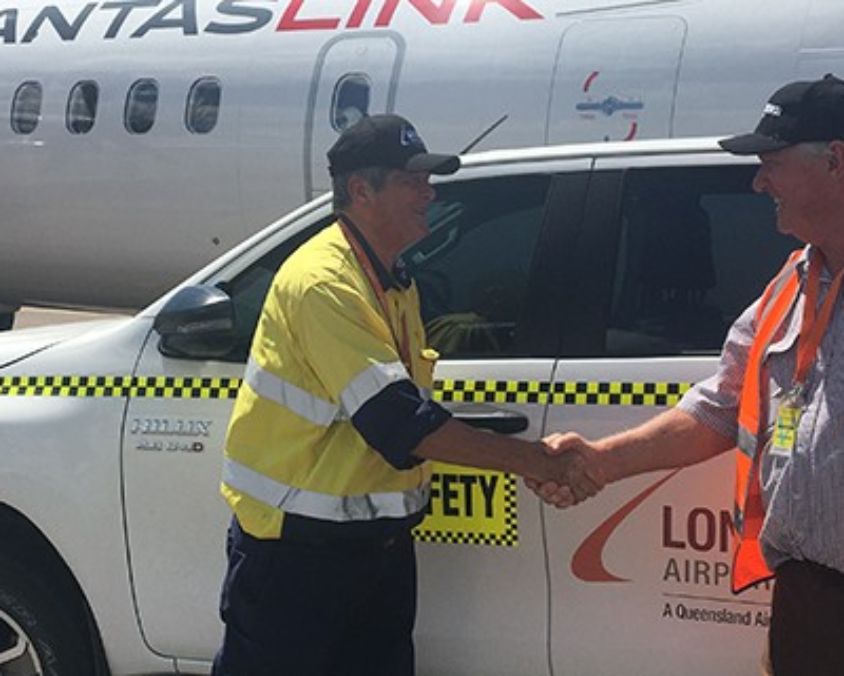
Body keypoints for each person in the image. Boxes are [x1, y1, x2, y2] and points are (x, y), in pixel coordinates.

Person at [212, 113, 603, 676]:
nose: (429, 191)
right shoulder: (324, 282)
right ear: (360, 191)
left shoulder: (391, 278)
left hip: (371, 550)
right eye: (412, 179)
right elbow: (399, 422)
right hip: (298, 556)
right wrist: (535, 460)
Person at [530, 74, 844, 676]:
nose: (758, 182)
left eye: (770, 163)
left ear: (835, 160)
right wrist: (600, 460)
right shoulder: (793, 283)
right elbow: (719, 407)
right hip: (807, 603)